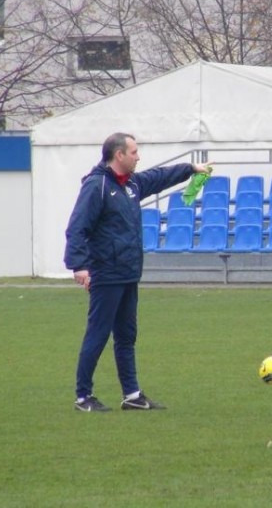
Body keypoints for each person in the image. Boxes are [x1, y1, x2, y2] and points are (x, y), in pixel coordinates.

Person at [64, 132, 212, 412]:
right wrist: (79, 265)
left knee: (126, 336)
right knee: (98, 335)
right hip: (107, 273)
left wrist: (191, 169)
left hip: (128, 272)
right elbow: (77, 227)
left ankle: (131, 395)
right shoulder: (97, 186)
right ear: (119, 154)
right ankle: (83, 397)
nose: (138, 156)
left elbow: (158, 177)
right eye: (134, 152)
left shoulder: (131, 183)